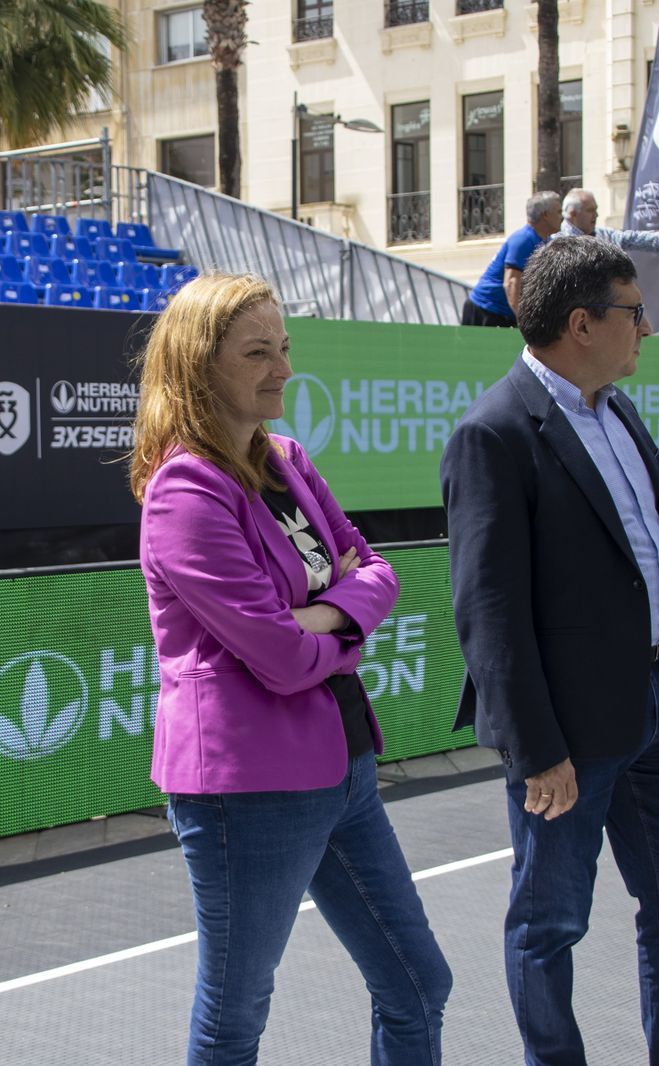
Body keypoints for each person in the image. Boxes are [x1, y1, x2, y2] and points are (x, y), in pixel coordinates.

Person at [441, 236, 659, 1066]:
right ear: (582, 324)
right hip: (568, 735)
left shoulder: (618, 411)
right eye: (634, 312)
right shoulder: (494, 433)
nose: (647, 329)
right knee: (550, 924)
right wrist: (536, 748)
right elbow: (488, 611)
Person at [131, 272, 451, 1065]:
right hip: (249, 789)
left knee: (418, 983)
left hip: (344, 765)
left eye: (284, 347)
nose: (283, 369)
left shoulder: (289, 460)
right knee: (236, 1018)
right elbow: (279, 658)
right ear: (199, 367)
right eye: (257, 353)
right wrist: (343, 618)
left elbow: (377, 570)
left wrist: (325, 614)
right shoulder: (185, 490)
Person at [461, 190, 562, 327]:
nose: (562, 217)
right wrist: (525, 322)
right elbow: (511, 283)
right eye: (558, 212)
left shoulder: (544, 240)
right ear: (545, 215)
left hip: (502, 312)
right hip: (486, 311)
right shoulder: (524, 239)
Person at [558, 188, 659, 252]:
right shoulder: (555, 242)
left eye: (596, 210)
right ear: (572, 214)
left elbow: (636, 239)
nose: (596, 215)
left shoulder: (604, 236)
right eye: (590, 210)